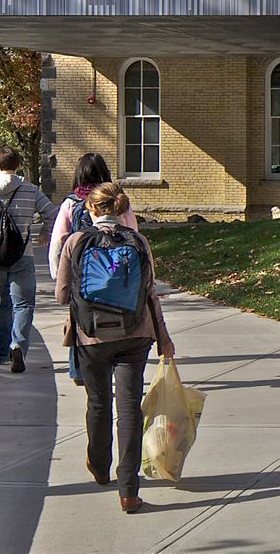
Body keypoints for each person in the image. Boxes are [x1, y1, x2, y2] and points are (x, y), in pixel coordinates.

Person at [56, 183, 175, 514]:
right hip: (135, 334)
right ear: (121, 209)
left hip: (91, 336)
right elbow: (150, 292)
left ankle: (99, 465)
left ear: (92, 209)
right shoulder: (138, 241)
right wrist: (164, 337)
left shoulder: (76, 242)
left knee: (98, 403)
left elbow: (62, 295)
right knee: (129, 409)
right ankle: (129, 491)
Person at [48, 154, 141, 386]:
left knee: (78, 319)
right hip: (117, 271)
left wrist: (59, 275)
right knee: (116, 314)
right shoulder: (118, 201)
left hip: (82, 274)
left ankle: (79, 370)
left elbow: (58, 241)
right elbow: (133, 234)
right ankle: (115, 361)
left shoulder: (71, 203)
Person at [0, 147, 55, 373]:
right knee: (24, 304)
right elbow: (51, 213)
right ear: (19, 166)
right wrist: (44, 232)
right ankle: (18, 346)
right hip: (23, 254)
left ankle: (2, 352)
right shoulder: (31, 190)